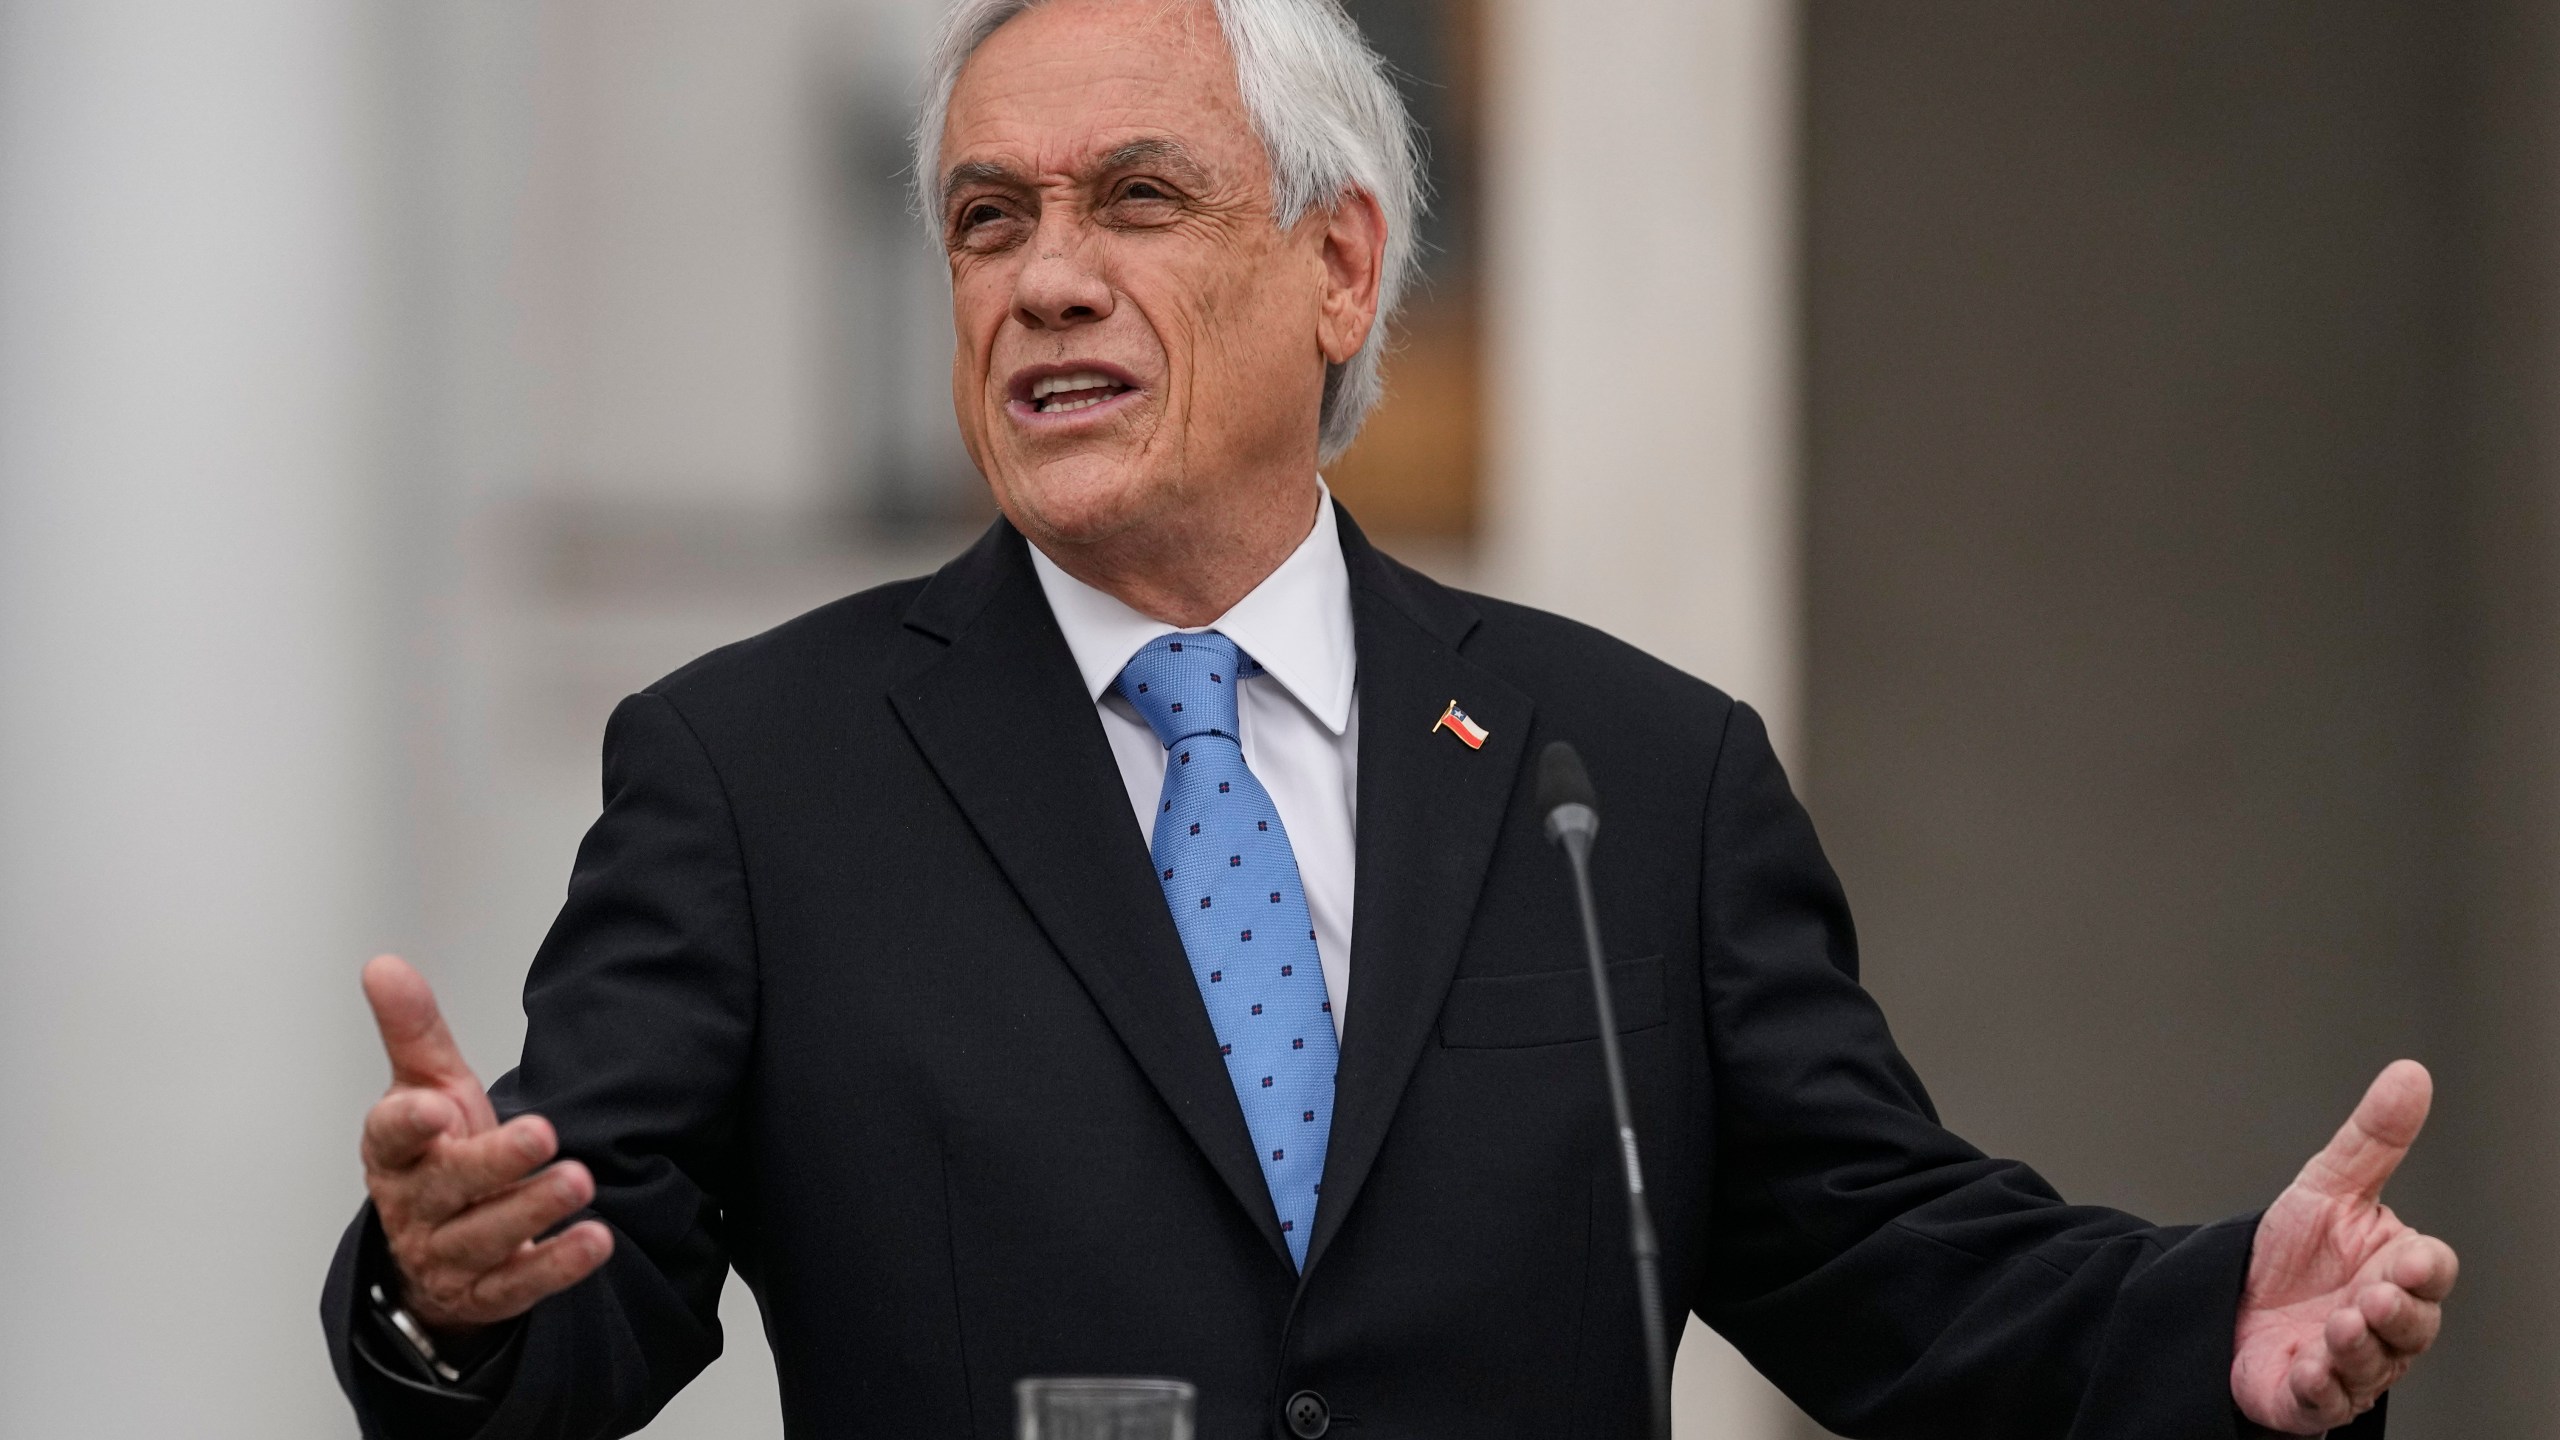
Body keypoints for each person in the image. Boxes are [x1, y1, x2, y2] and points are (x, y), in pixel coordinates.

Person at [321, 0, 2458, 1435]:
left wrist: (2211, 1324)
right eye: (989, 221)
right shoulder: (758, 776)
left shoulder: (1624, 775)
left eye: (1133, 201)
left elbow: (1883, 1257)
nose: (1042, 278)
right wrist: (450, 1292)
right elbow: (577, 1284)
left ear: (1335, 270)